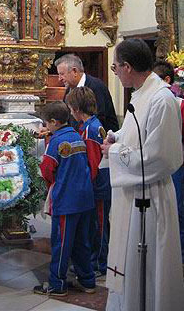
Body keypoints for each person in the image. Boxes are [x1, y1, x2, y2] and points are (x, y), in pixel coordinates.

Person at [102, 39, 184, 311]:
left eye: (115, 66)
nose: (115, 71)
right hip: (132, 193)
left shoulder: (162, 99)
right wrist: (116, 137)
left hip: (151, 197)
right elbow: (133, 136)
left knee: (146, 267)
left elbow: (160, 157)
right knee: (128, 265)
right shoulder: (140, 95)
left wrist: (114, 153)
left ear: (127, 67)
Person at [34, 101, 95, 297]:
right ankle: (87, 281)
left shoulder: (56, 141)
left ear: (54, 122)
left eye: (46, 123)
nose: (46, 127)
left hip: (66, 200)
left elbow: (47, 170)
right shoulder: (77, 136)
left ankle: (57, 284)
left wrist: (53, 184)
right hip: (84, 198)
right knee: (81, 242)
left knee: (61, 243)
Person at [66, 87, 111, 278]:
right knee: (92, 225)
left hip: (97, 184)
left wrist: (85, 185)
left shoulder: (90, 130)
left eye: (70, 108)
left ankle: (99, 263)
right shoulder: (88, 125)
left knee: (99, 226)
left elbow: (93, 162)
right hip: (93, 184)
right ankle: (91, 260)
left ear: (76, 108)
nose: (70, 112)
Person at [153, 59, 184, 265]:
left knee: (178, 210)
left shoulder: (176, 103)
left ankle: (178, 256)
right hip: (163, 163)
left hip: (178, 164)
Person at [55, 53, 119, 133]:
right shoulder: (69, 89)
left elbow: (99, 117)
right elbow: (66, 116)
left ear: (74, 71)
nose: (59, 79)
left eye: (62, 74)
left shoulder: (96, 86)